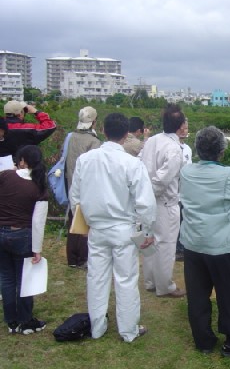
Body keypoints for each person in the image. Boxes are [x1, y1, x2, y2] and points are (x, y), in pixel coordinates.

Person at [69, 113, 156, 342]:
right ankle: (128, 331)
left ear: (104, 132)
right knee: (125, 280)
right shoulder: (131, 163)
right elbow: (145, 202)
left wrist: (85, 220)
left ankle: (97, 327)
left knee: (96, 278)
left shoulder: (85, 160)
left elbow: (75, 197)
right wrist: (147, 231)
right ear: (126, 135)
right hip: (123, 229)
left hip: (97, 228)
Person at [179, 126, 230, 356]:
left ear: (198, 149)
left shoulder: (187, 172)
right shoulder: (229, 175)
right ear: (221, 151)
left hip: (193, 243)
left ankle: (203, 340)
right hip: (222, 245)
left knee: (197, 294)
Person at [139, 104, 186, 298]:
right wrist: (151, 192)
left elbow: (140, 164)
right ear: (180, 126)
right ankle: (164, 285)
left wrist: (143, 193)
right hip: (165, 202)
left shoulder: (152, 140)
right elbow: (164, 178)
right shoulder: (174, 149)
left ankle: (150, 281)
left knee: (150, 241)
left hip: (147, 199)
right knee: (165, 245)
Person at [0, 145, 48, 334]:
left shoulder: (6, 177)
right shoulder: (39, 186)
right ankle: (25, 320)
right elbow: (38, 222)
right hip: (22, 234)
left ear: (21, 161)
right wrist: (37, 248)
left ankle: (11, 320)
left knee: (6, 277)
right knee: (25, 279)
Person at [65, 107, 101, 269]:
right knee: (85, 222)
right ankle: (82, 258)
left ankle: (72, 258)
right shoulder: (94, 141)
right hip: (85, 186)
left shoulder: (72, 137)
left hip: (71, 183)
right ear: (93, 121)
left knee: (74, 219)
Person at [175, 118, 192, 261]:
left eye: (185, 128)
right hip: (172, 193)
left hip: (184, 193)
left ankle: (181, 248)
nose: (183, 131)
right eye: (181, 128)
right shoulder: (170, 147)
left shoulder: (188, 149)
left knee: (183, 221)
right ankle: (175, 248)